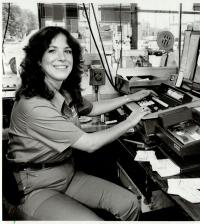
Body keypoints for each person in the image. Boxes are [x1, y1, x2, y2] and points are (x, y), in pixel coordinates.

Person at [7, 26, 152, 221]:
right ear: (38, 60)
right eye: (52, 50)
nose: (62, 57)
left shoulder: (62, 91)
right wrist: (130, 121)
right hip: (36, 187)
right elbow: (89, 144)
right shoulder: (32, 104)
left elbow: (92, 108)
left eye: (67, 51)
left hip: (68, 174)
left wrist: (129, 98)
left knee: (130, 204)